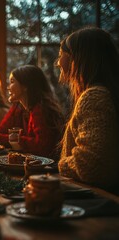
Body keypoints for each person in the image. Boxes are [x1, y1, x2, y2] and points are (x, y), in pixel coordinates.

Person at [56, 27, 119, 192]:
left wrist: (61, 163)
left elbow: (91, 165)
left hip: (100, 202)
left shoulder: (94, 97)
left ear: (78, 58)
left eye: (61, 55)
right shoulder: (105, 92)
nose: (58, 62)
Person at [0, 65, 65, 160]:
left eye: (12, 82)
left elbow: (42, 146)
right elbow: (1, 130)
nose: (8, 88)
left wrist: (4, 138)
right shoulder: (18, 107)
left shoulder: (40, 109)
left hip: (46, 166)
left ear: (25, 86)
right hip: (30, 161)